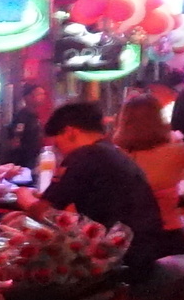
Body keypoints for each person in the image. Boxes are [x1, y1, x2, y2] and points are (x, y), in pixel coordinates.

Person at [39, 98, 176, 280]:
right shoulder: (112, 151)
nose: (60, 152)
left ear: (70, 132)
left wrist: (23, 198)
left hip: (117, 258)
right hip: (142, 251)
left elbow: (44, 210)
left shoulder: (84, 155)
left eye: (58, 144)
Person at [120, 97, 184, 256]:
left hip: (128, 239)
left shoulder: (115, 154)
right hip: (170, 235)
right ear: (158, 119)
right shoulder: (178, 150)